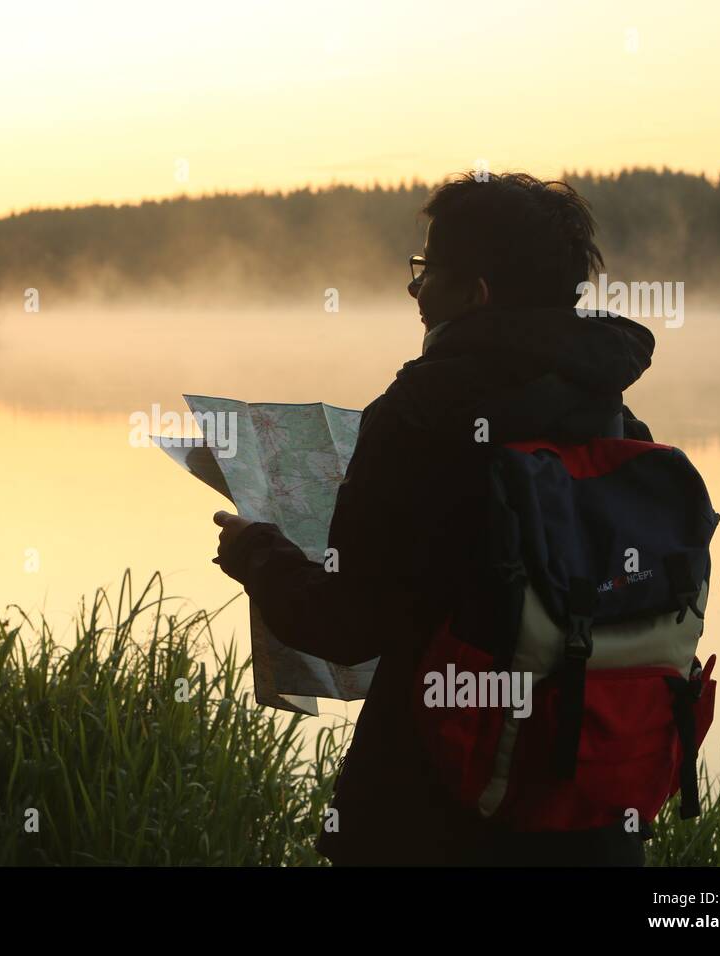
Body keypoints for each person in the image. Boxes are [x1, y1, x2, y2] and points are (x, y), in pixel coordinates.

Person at [212, 172, 656, 865]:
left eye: (426, 273)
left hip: (433, 812)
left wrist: (256, 554)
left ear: (473, 293)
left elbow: (348, 626)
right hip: (587, 815)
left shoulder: (418, 416)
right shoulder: (620, 423)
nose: (415, 292)